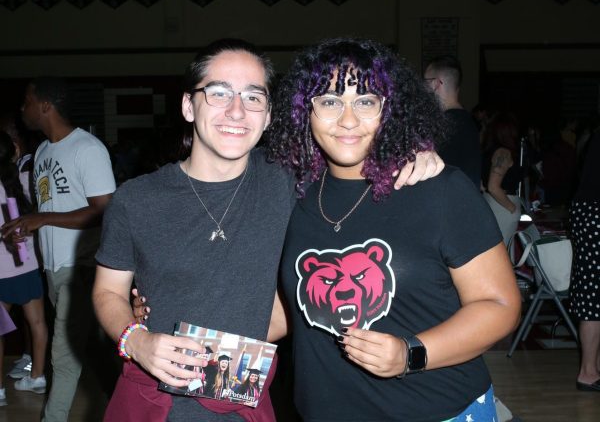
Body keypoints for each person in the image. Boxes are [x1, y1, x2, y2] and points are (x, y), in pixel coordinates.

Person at [92, 39, 443, 422]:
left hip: (245, 404)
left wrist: (413, 152)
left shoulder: (292, 181)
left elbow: (355, 144)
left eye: (253, 97)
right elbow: (108, 291)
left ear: (270, 113)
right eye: (219, 93)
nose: (237, 111)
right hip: (152, 404)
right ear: (188, 106)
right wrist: (137, 340)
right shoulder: (136, 199)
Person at [266, 37, 521, 422]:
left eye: (365, 101)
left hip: (439, 411)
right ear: (306, 111)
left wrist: (410, 353)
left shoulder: (438, 189)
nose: (348, 119)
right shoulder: (293, 196)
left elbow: (500, 306)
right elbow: (285, 312)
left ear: (389, 110)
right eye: (330, 101)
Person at [1, 77, 116, 422]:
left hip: (80, 265)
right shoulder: (44, 153)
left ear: (46, 106)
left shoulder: (87, 148)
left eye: (27, 101)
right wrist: (26, 228)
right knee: (91, 349)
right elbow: (52, 210)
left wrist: (40, 218)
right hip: (52, 267)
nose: (23, 109)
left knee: (62, 356)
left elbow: (104, 211)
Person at [0, 130, 48, 405]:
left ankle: (0, 391)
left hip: (1, 272)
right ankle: (37, 376)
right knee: (38, 324)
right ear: (14, 153)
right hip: (28, 266)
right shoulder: (23, 181)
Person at [569, 129, 600, 392]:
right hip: (594, 212)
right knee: (593, 298)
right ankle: (589, 372)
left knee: (593, 296)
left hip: (588, 210)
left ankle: (593, 369)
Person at [424, 55, 482, 188]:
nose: (424, 89)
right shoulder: (467, 122)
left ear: (435, 84)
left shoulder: (445, 125)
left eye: (425, 82)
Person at [481, 111, 522, 245]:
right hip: (502, 207)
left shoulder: (490, 151)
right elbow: (493, 186)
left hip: (492, 204)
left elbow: (484, 184)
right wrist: (512, 208)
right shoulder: (503, 152)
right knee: (503, 253)